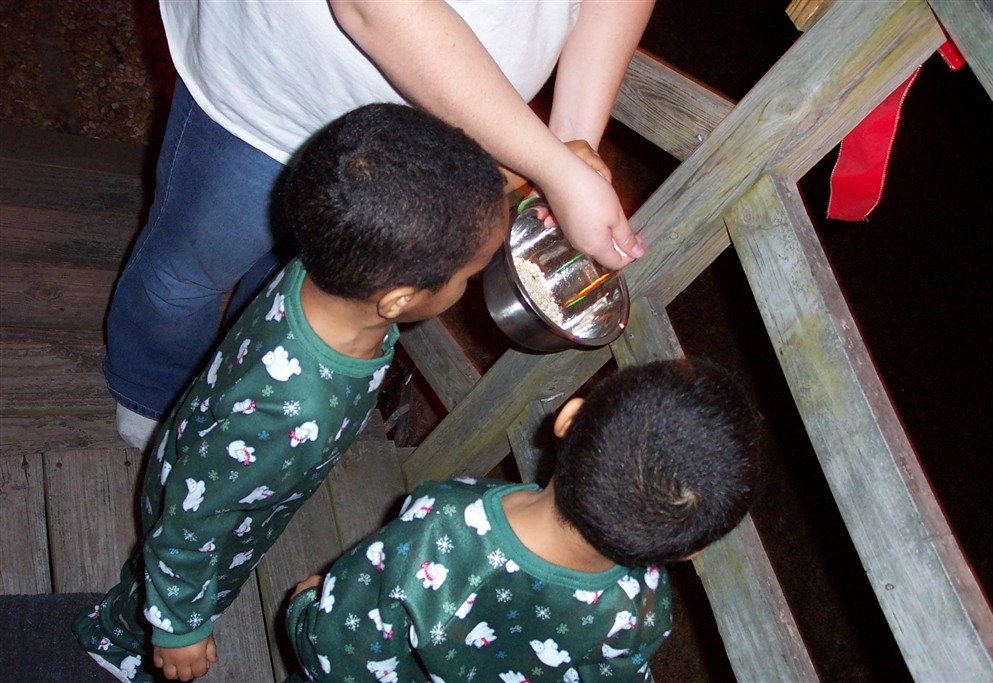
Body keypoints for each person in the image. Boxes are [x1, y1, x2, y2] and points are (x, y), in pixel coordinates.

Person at [73, 103, 509, 683]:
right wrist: (180, 628)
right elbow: (192, 523)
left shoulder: (331, 259)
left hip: (220, 449)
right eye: (469, 276)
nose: (471, 283)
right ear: (399, 300)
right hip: (212, 506)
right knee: (165, 583)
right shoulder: (295, 410)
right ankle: (116, 638)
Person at [107, 0, 655, 451]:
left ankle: (228, 392)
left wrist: (572, 146)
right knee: (188, 271)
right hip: (275, 89)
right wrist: (555, 168)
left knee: (286, 279)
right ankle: (149, 390)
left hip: (432, 148)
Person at [285, 358, 761, 681]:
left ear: (568, 419)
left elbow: (339, 653)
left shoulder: (440, 523)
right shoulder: (643, 607)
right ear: (689, 551)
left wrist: (304, 607)